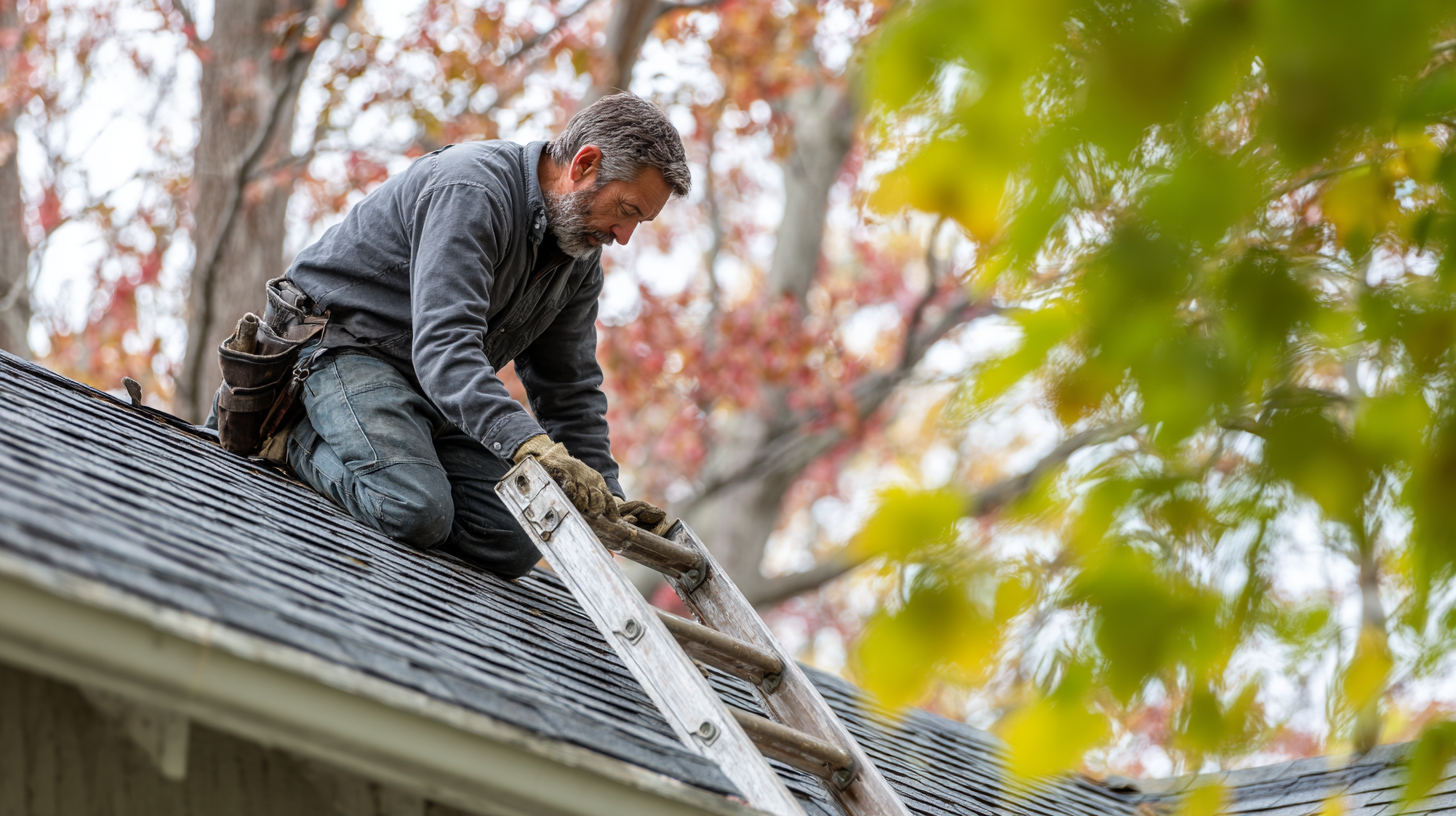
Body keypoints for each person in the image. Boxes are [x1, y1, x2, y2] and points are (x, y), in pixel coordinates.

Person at [275, 93, 686, 578]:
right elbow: (445, 347)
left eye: (640, 221)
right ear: (584, 164)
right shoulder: (472, 190)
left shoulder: (578, 259)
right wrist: (528, 444)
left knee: (518, 535)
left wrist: (607, 501)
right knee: (415, 508)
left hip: (428, 389)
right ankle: (293, 437)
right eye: (627, 209)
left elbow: (568, 387)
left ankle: (388, 470)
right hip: (339, 349)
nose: (625, 235)